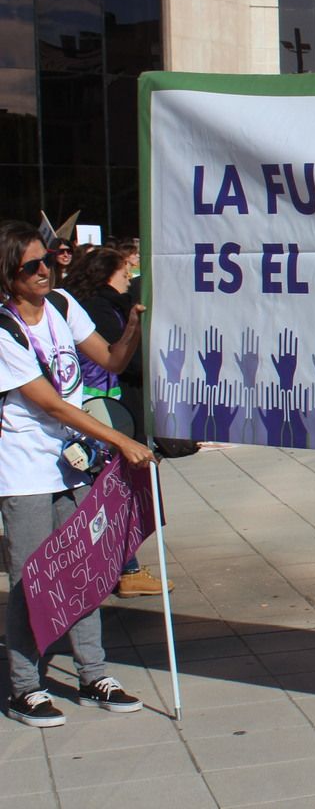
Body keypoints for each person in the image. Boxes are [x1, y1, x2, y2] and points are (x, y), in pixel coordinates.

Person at [0, 221, 155, 728]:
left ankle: (94, 675)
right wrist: (121, 440)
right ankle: (26, 685)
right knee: (30, 578)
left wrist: (134, 325)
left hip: (72, 463)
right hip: (24, 470)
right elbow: (52, 405)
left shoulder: (63, 306)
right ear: (8, 275)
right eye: (32, 266)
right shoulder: (3, 329)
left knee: (85, 569)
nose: (46, 270)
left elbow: (109, 359)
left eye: (47, 259)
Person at [60, 247, 171, 597]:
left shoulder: (85, 303)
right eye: (125, 272)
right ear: (107, 273)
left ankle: (124, 565)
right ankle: (122, 568)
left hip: (105, 403)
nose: (129, 278)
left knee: (118, 488)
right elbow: (118, 359)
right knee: (109, 489)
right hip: (98, 407)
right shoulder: (96, 307)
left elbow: (117, 356)